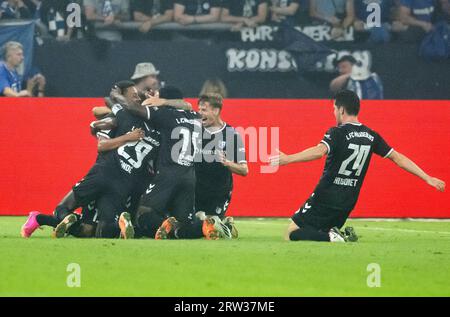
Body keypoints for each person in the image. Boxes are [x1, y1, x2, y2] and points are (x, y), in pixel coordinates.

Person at [269, 90, 445, 243]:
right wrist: (427, 177)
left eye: (334, 109)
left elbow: (318, 151)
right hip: (348, 201)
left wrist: (288, 159)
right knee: (318, 232)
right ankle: (335, 235)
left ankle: (334, 238)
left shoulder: (337, 132)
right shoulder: (371, 135)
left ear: (341, 110)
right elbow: (398, 158)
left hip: (326, 196)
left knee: (291, 233)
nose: (334, 113)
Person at [21, 81, 160, 239]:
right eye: (133, 95)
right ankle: (48, 219)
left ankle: (66, 221)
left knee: (90, 230)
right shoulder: (125, 119)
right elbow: (100, 140)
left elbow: (99, 115)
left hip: (119, 178)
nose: (136, 98)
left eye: (138, 96)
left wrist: (103, 117)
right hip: (104, 172)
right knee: (86, 227)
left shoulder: (129, 117)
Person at [115, 86, 228, 240]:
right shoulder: (195, 116)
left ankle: (166, 225)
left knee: (142, 214)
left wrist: (117, 96)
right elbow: (186, 105)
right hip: (189, 176)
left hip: (168, 174)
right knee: (185, 225)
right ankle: (206, 226)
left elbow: (132, 107)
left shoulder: (165, 114)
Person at [195, 93, 248, 238]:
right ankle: (218, 223)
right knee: (196, 223)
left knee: (211, 225)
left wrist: (227, 163)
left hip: (218, 191)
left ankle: (225, 227)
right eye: (199, 109)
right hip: (195, 189)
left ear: (216, 111)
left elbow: (244, 170)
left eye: (204, 110)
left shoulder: (231, 135)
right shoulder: (194, 131)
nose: (200, 113)